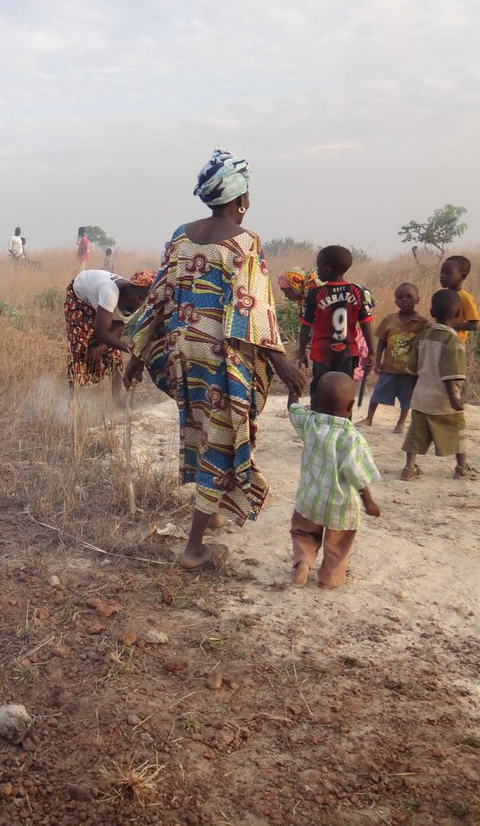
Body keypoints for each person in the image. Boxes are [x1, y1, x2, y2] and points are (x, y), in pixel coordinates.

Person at [124, 150, 307, 571]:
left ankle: (216, 509)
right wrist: (281, 363)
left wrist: (137, 355)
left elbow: (158, 296)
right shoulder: (245, 242)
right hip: (222, 355)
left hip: (185, 352)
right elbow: (254, 309)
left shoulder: (181, 234)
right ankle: (193, 549)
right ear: (242, 198)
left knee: (201, 428)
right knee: (221, 441)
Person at [289, 371, 381, 589]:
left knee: (303, 532)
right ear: (350, 407)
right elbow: (357, 474)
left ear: (315, 402)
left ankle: (304, 561)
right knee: (338, 545)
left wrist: (293, 390)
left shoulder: (310, 423)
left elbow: (293, 410)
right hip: (341, 507)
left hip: (310, 500)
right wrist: (368, 502)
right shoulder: (352, 438)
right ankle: (328, 579)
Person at [402, 289, 476, 480]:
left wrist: (413, 390)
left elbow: (412, 367)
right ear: (459, 313)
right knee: (457, 432)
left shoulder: (423, 336)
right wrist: (455, 399)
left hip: (422, 396)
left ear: (432, 312)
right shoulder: (454, 341)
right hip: (444, 401)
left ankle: (409, 469)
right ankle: (461, 468)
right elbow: (451, 373)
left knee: (415, 435)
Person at [297, 246, 374, 407]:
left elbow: (305, 325)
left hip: (322, 353)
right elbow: (366, 324)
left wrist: (302, 351)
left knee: (320, 389)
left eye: (318, 266)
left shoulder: (316, 294)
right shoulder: (357, 291)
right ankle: (344, 424)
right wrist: (372, 352)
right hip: (348, 353)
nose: (316, 270)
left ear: (327, 269)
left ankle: (319, 422)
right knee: (344, 390)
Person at [65, 269, 149, 401]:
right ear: (131, 288)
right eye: (139, 298)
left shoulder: (136, 299)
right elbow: (102, 332)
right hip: (80, 299)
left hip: (102, 305)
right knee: (80, 348)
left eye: (144, 300)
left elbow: (120, 323)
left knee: (114, 354)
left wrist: (102, 348)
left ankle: (116, 401)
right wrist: (132, 349)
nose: (140, 302)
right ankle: (73, 403)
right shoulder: (110, 291)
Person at [359, 283, 427, 433]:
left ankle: (401, 423)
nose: (405, 300)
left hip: (409, 370)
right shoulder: (389, 319)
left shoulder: (423, 323)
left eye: (409, 296)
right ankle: (369, 418)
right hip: (389, 367)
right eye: (400, 297)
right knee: (378, 393)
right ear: (395, 301)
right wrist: (377, 360)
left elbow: (424, 347)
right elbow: (382, 340)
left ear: (418, 299)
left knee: (407, 398)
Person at [440, 255, 479, 344]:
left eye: (448, 273)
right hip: (441, 341)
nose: (442, 276)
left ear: (462, 276)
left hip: (456, 343)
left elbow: (474, 325)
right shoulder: (442, 296)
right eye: (442, 272)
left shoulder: (465, 298)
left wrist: (451, 325)